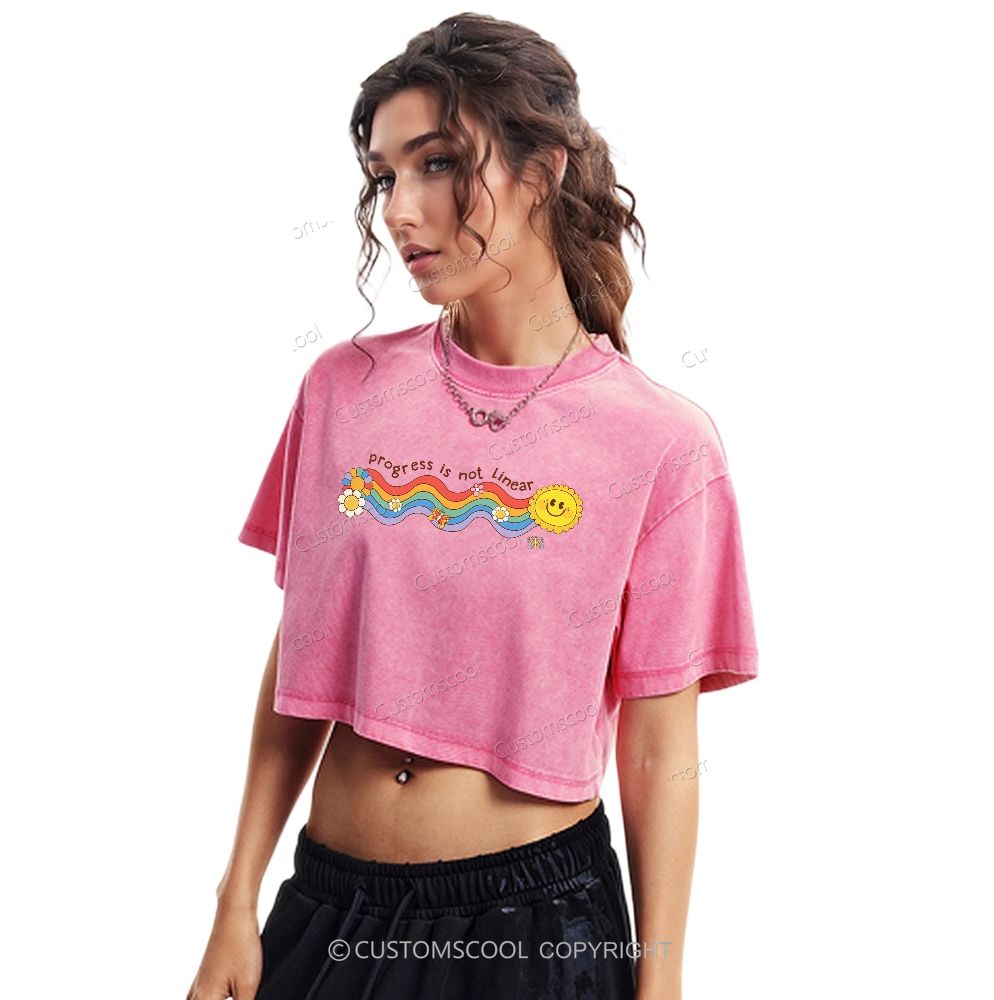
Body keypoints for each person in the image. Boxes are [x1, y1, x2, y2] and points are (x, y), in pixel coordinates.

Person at [186, 13, 759, 1000]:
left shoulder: (662, 444)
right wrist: (236, 897)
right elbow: (305, 644)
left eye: (439, 163)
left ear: (541, 170)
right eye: (384, 177)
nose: (400, 211)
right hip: (328, 906)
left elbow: (661, 745)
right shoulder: (343, 390)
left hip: (532, 929)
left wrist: (661, 984)